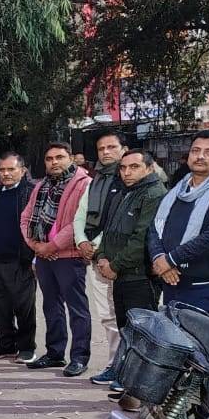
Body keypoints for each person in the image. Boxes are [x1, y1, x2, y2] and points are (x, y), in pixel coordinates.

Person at [90, 150, 167, 407]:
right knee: (127, 329)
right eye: (123, 168)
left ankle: (140, 390)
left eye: (134, 167)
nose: (127, 172)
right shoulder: (126, 192)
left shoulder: (154, 194)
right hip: (121, 275)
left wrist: (115, 265)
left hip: (139, 276)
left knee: (142, 332)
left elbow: (142, 239)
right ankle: (126, 380)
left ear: (149, 168)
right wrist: (102, 256)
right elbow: (109, 230)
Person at [148, 131, 209, 326]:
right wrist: (159, 258)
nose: (200, 156)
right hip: (172, 282)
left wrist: (170, 260)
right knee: (175, 342)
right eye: (195, 150)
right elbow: (154, 228)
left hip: (208, 288)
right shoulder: (175, 192)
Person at [20, 142, 93, 375]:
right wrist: (36, 245)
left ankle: (79, 357)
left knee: (77, 309)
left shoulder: (84, 184)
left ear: (70, 158)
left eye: (59, 157)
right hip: (43, 257)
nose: (54, 162)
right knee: (51, 307)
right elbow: (26, 217)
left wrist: (52, 246)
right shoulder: (41, 185)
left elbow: (78, 221)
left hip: (69, 256)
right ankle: (54, 353)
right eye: (49, 159)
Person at [73, 132, 126, 377]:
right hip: (94, 257)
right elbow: (80, 214)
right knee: (106, 316)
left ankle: (125, 367)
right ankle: (113, 364)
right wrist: (82, 241)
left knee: (124, 316)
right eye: (101, 148)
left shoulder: (129, 179)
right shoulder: (96, 180)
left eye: (111, 147)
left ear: (124, 149)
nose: (106, 152)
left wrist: (94, 244)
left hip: (120, 258)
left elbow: (119, 220)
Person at [0, 152, 38, 364]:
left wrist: (34, 258)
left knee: (24, 307)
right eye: (2, 170)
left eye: (11, 169)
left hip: (20, 260)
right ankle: (6, 345)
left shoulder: (31, 193)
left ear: (22, 170)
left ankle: (27, 348)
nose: (6, 174)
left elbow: (36, 226)